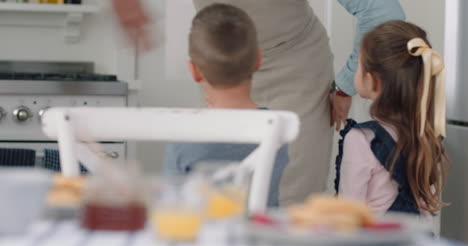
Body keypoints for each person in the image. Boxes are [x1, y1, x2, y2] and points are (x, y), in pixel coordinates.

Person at [112, 0, 405, 205]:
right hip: (220, 74)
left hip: (297, 75)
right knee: (215, 201)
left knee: (289, 202)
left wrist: (345, 84)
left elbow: (384, 12)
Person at [163, 3, 289, 207]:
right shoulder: (278, 128)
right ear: (258, 60)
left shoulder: (184, 137)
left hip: (204, 237)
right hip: (259, 236)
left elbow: (172, 205)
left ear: (194, 71)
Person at [334, 21, 449, 219]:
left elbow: (347, 216)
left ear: (372, 80)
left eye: (359, 65)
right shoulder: (428, 137)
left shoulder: (362, 140)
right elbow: (426, 215)